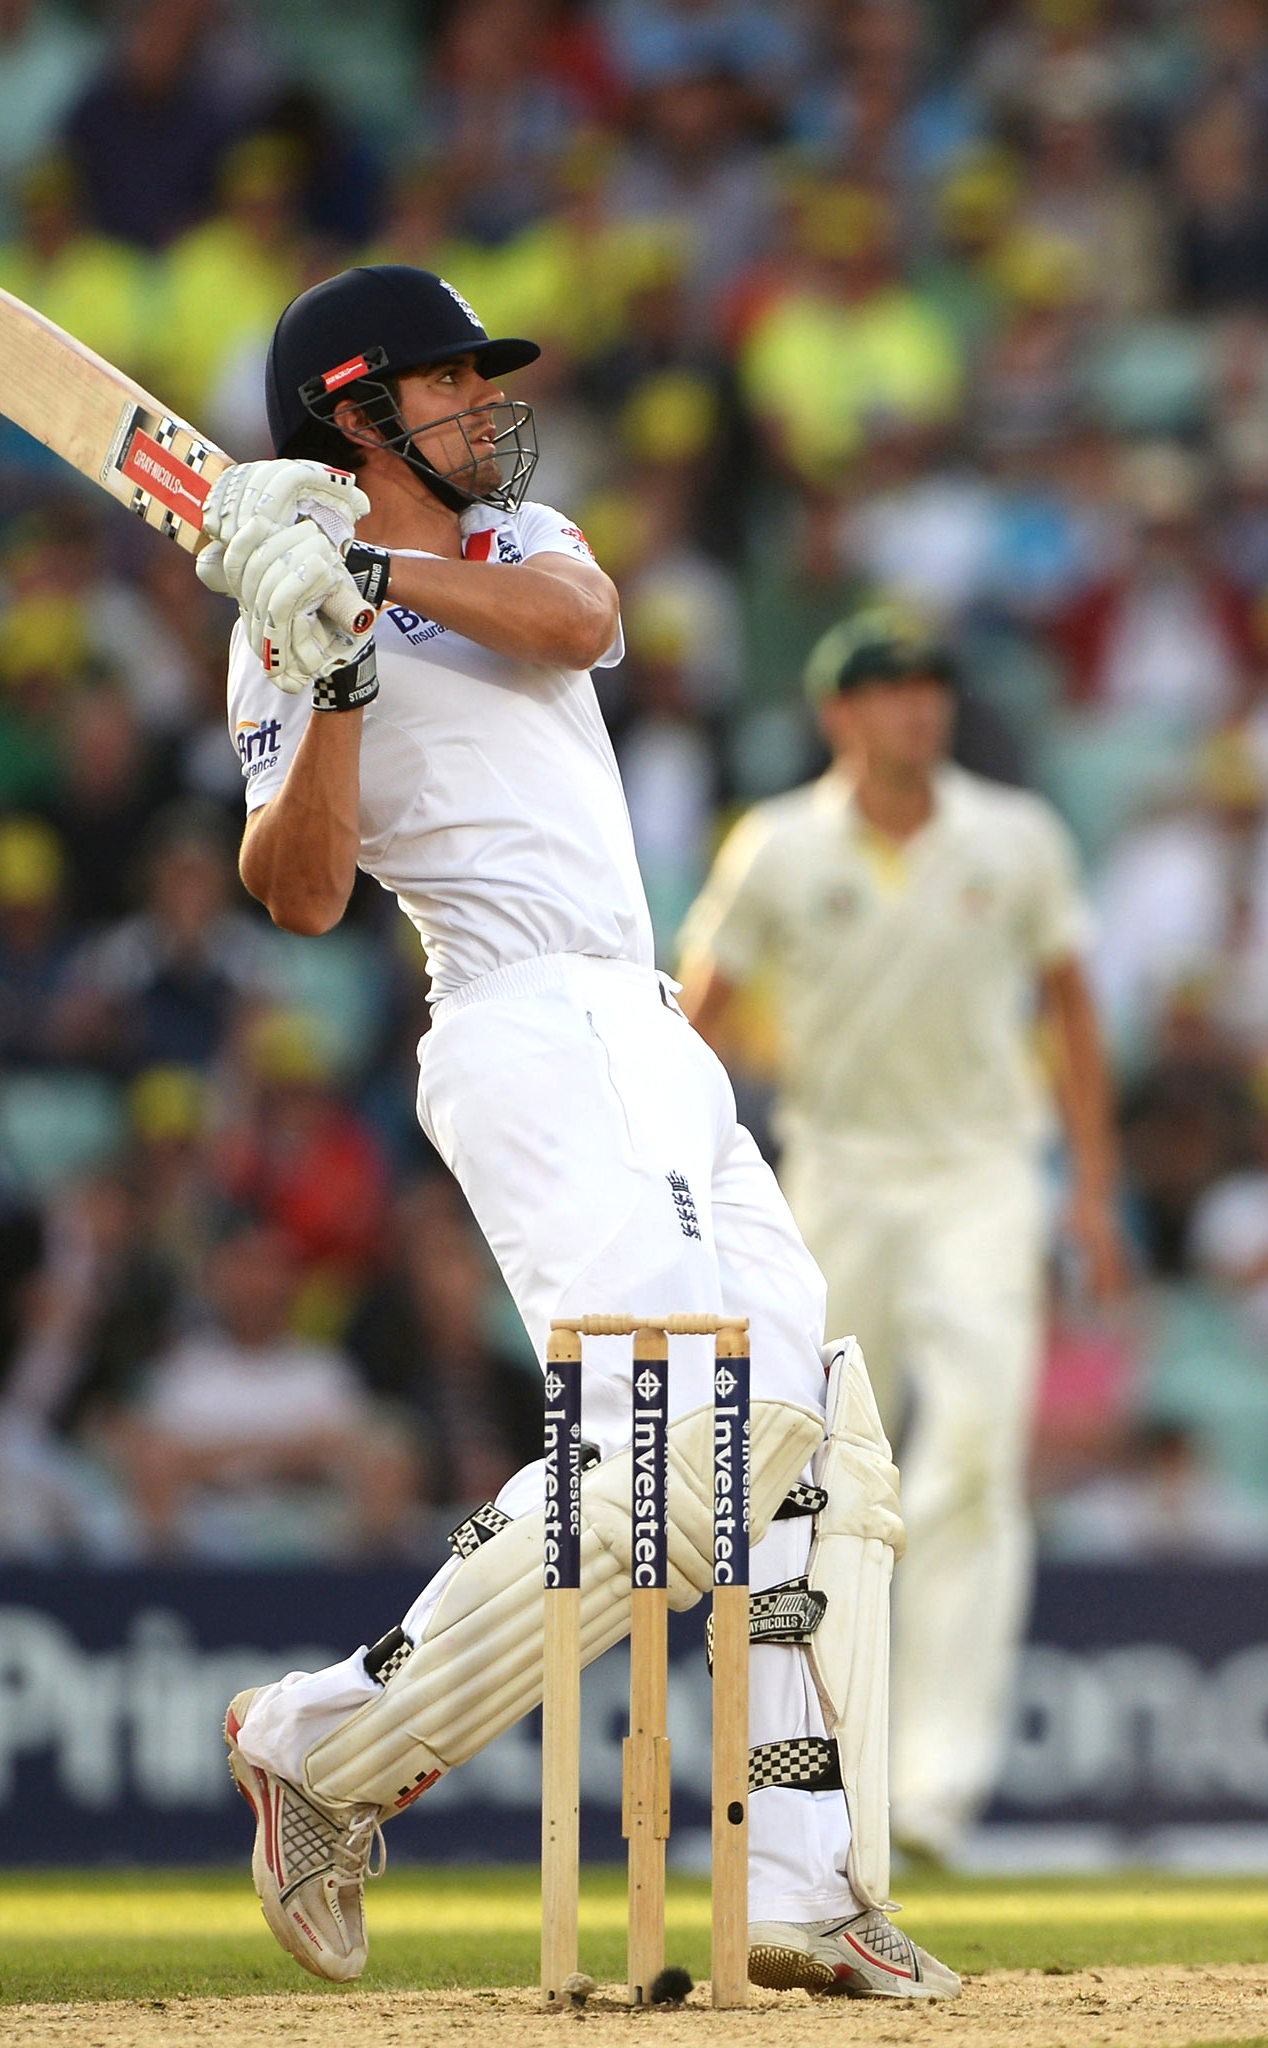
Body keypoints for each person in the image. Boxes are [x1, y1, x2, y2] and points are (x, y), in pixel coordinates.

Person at [196, 265, 959, 1998]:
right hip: (521, 1021)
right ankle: (324, 1742)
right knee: (707, 1430)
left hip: (647, 1024)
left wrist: (367, 573)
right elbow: (302, 889)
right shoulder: (274, 619)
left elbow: (580, 623)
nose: (488, 410)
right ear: (355, 409)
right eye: (452, 387)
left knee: (809, 1426)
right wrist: (326, 668)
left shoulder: (507, 536)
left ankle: (799, 1877)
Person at [677, 606, 1127, 1865]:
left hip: (986, 1171)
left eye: (930, 688)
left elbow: (1076, 1009)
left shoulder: (1017, 837)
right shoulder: (772, 846)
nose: (917, 708)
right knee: (812, 1477)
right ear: (840, 714)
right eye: (889, 689)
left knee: (974, 1458)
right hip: (834, 1173)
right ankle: (819, 1780)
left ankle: (933, 1788)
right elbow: (694, 1019)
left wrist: (1091, 1189)